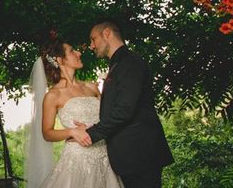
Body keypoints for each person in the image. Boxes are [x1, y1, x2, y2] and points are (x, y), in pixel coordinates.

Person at [73, 20, 174, 188]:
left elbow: (125, 110)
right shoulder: (118, 64)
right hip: (131, 156)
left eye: (93, 39)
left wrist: (92, 133)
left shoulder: (129, 62)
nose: (91, 46)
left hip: (140, 154)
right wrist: (92, 125)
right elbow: (118, 108)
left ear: (107, 33)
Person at [25, 38, 123, 188]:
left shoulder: (91, 87)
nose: (78, 53)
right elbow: (47, 133)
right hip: (77, 161)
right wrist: (72, 131)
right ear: (60, 59)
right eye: (71, 51)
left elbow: (109, 118)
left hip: (106, 158)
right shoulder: (53, 95)